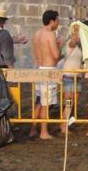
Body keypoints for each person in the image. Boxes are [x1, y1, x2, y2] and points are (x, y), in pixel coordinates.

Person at [30, 10, 61, 140]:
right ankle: (44, 132)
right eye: (57, 20)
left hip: (39, 69)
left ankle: (33, 129)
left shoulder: (37, 34)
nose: (58, 23)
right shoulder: (50, 34)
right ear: (52, 21)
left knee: (39, 101)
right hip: (49, 70)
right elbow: (55, 55)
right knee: (45, 104)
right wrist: (60, 46)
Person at [61, 23, 83, 134]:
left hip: (77, 77)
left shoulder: (79, 46)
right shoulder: (70, 43)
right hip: (69, 76)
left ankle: (66, 123)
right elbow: (73, 41)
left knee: (73, 103)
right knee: (69, 102)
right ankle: (64, 126)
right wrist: (76, 30)